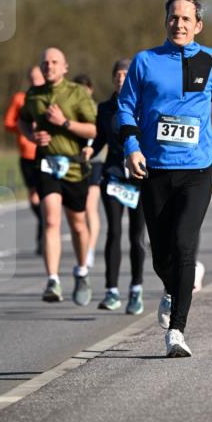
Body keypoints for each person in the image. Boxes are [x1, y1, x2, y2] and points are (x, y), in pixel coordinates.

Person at [118, 0, 212, 358]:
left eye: (187, 18)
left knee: (185, 245)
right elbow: (125, 108)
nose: (179, 23)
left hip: (197, 170)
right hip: (154, 169)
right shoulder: (145, 62)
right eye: (174, 17)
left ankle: (177, 332)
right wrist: (131, 148)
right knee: (160, 254)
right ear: (165, 20)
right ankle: (173, 288)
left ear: (198, 25)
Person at [19, 48, 97, 303]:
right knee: (51, 220)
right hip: (47, 165)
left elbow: (94, 130)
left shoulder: (77, 93)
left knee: (77, 224)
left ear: (64, 67)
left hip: (74, 167)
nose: (49, 66)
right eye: (45, 63)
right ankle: (53, 280)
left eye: (54, 62)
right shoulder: (33, 94)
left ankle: (82, 270)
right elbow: (22, 121)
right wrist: (32, 136)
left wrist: (65, 123)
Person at [87, 59, 146, 315]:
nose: (121, 79)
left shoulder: (146, 105)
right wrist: (90, 150)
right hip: (113, 175)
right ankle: (111, 291)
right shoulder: (105, 108)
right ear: (113, 79)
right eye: (117, 75)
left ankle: (136, 290)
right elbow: (100, 138)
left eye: (126, 75)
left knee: (136, 236)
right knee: (113, 232)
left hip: (140, 176)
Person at [4, 66, 45, 253]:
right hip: (27, 154)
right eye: (32, 78)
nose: (35, 81)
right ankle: (45, 224)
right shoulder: (20, 99)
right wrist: (25, 128)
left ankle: (44, 232)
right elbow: (8, 123)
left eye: (39, 78)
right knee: (35, 198)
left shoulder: (50, 97)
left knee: (47, 195)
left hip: (47, 153)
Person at [74, 73, 101, 269]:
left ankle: (90, 249)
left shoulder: (98, 110)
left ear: (90, 90)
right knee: (80, 210)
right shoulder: (71, 112)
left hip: (96, 163)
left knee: (91, 207)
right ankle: (84, 247)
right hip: (77, 163)